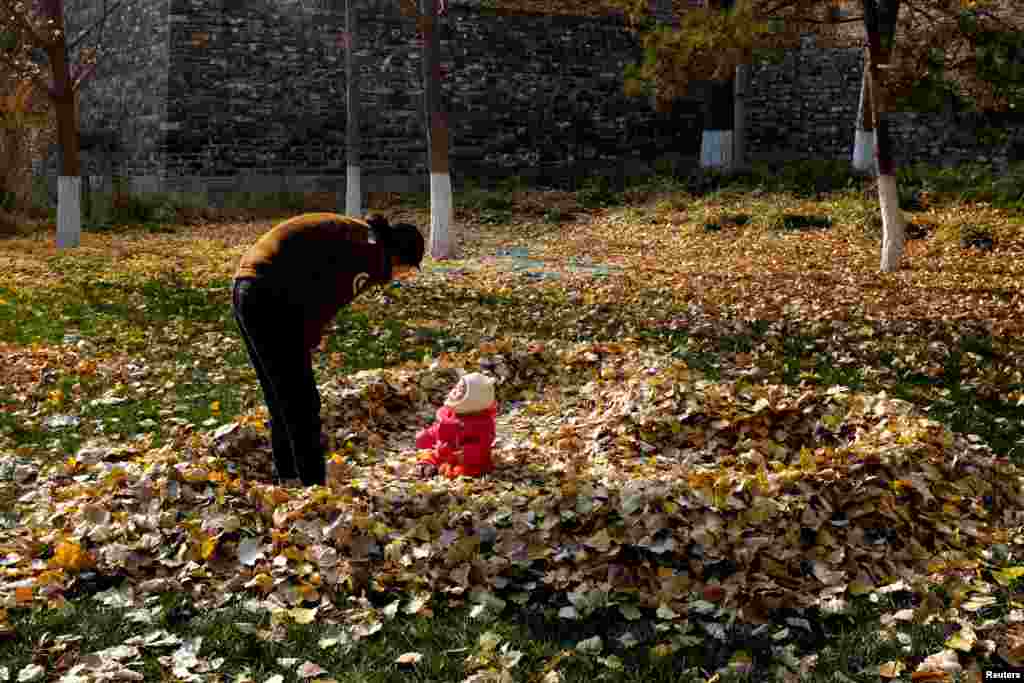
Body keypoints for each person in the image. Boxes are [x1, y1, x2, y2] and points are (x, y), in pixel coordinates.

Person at [232, 212, 425, 487]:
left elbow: (320, 290)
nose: (401, 276)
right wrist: (307, 339)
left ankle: (288, 480)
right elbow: (326, 301)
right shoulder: (371, 257)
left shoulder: (362, 237)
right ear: (398, 256)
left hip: (247, 284)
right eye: (406, 269)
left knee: (281, 397)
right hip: (269, 294)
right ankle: (314, 488)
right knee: (303, 404)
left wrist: (309, 336)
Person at [415, 372, 498, 478]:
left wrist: (465, 453)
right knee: (432, 454)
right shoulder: (451, 413)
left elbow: (482, 445)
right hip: (445, 449)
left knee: (466, 469)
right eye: (456, 387)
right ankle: (427, 465)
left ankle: (443, 470)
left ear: (472, 400)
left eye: (461, 390)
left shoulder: (482, 423)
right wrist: (428, 436)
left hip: (463, 456)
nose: (454, 391)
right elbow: (439, 429)